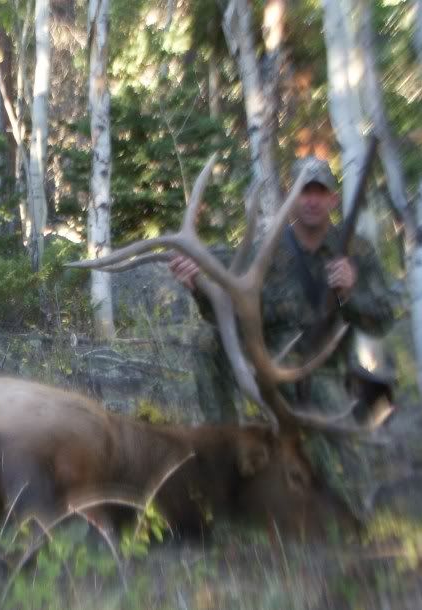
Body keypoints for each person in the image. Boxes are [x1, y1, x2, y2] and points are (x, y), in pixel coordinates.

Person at [170, 156, 398, 513]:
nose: (311, 200)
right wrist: (198, 286)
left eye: (319, 192)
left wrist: (351, 293)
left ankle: (352, 508)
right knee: (207, 345)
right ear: (290, 199)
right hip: (272, 363)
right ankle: (225, 454)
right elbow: (225, 316)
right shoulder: (266, 251)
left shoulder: (358, 252)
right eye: (304, 192)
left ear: (333, 199)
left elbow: (382, 319)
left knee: (349, 482)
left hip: (326, 371)